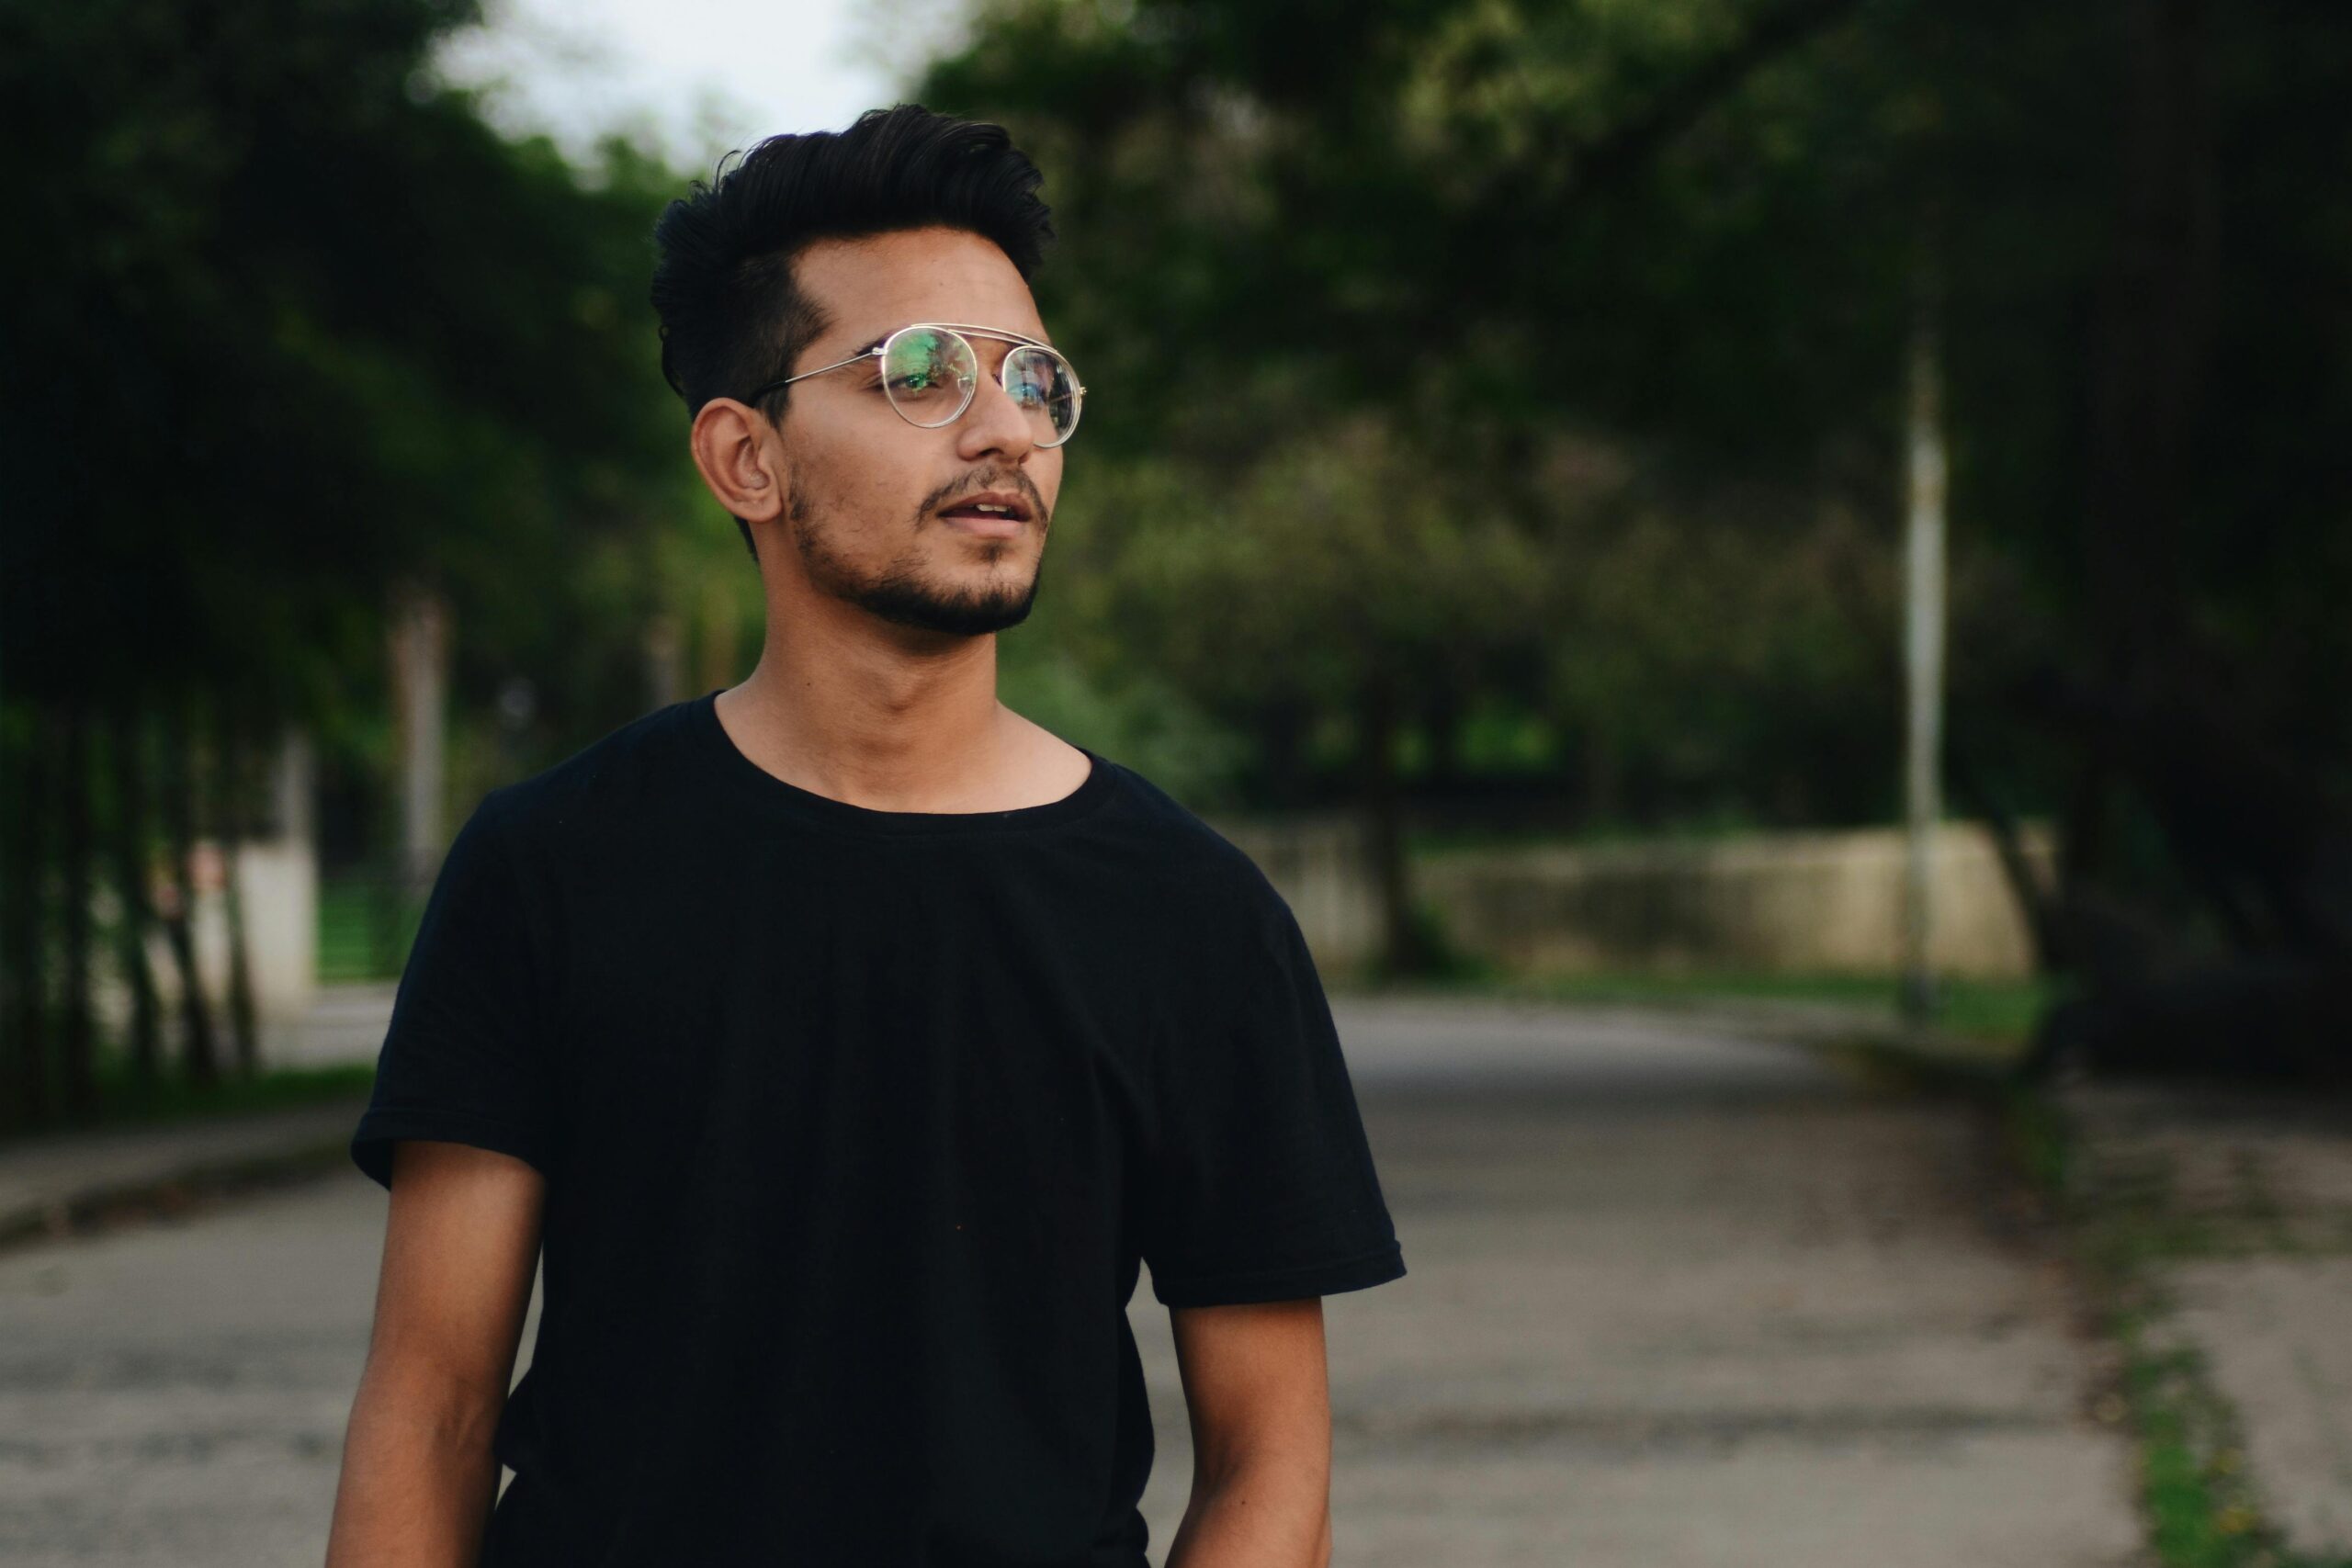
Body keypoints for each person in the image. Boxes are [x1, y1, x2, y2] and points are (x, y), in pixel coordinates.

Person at [325, 103, 1403, 1568]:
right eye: (919, 373)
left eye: (1034, 379)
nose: (1004, 429)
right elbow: (432, 1409)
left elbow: (1275, 1462)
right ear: (745, 459)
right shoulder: (551, 869)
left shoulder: (1190, 914)